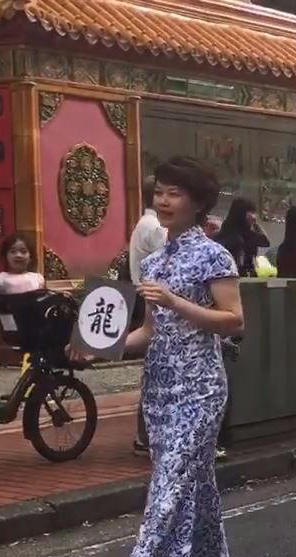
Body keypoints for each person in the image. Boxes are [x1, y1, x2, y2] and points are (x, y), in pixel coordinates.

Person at [72, 156, 243, 557]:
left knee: (165, 499)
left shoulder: (214, 256)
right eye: (160, 192)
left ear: (197, 202)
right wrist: (99, 346)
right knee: (196, 494)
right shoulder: (153, 262)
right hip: (160, 389)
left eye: (174, 193)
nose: (163, 201)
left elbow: (233, 319)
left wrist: (177, 303)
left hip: (200, 389)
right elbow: (150, 331)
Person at [127, 176, 166, 457]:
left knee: (155, 368)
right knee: (156, 368)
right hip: (154, 301)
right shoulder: (154, 227)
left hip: (149, 299)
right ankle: (146, 435)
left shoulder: (146, 224)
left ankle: (147, 434)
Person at [214, 198, 269, 277]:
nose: (254, 216)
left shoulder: (226, 233)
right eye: (251, 212)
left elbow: (265, 242)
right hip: (240, 278)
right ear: (241, 213)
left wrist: (255, 224)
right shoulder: (237, 238)